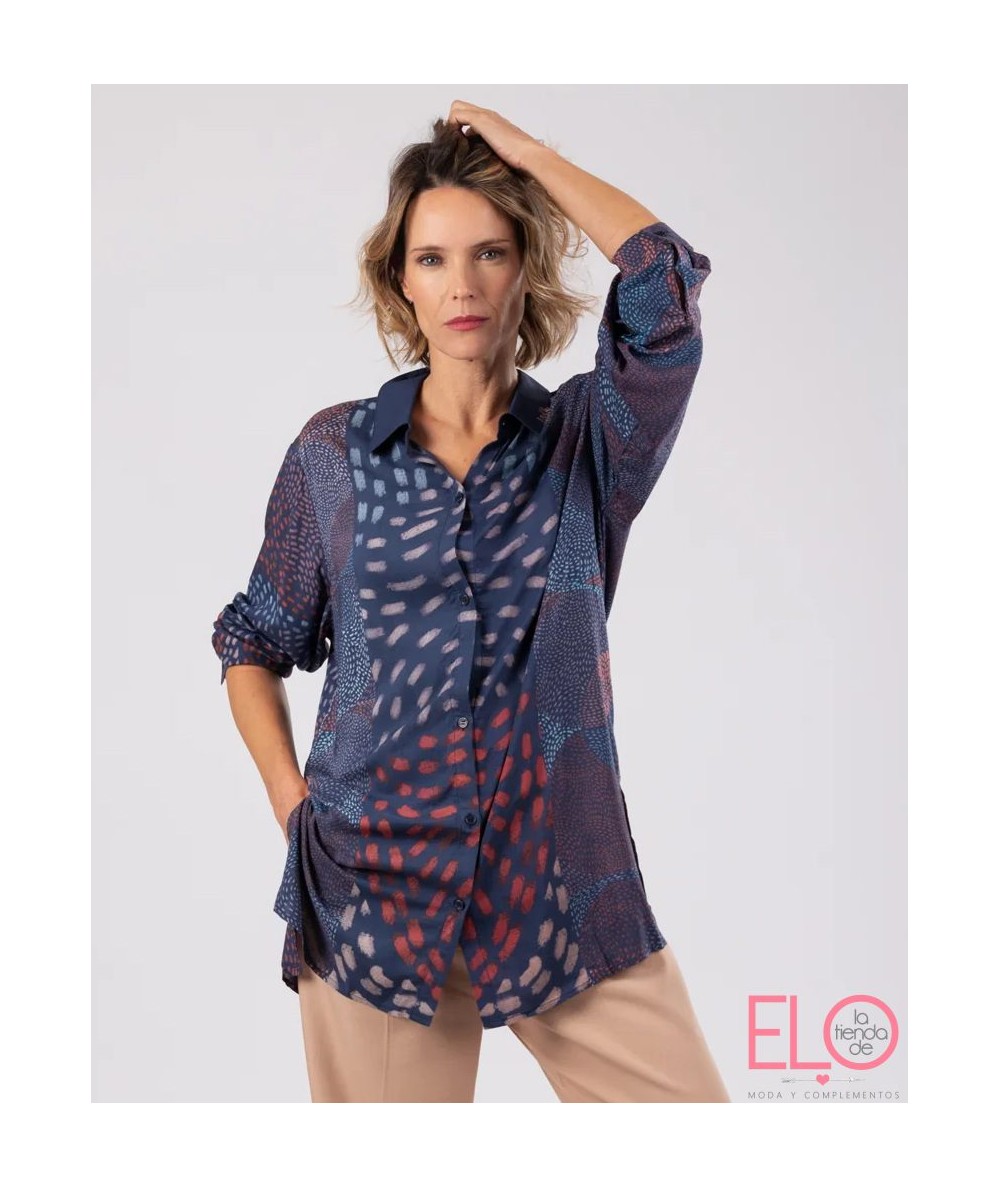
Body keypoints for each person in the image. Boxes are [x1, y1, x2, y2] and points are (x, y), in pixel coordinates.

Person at [211, 101, 730, 1104]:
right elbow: (253, 642)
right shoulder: (332, 457)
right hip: (371, 894)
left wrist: (530, 158)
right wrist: (292, 806)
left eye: (491, 252)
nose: (463, 284)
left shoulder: (588, 444)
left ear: (525, 267)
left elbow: (662, 289)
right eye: (433, 258)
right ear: (400, 280)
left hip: (562, 885)